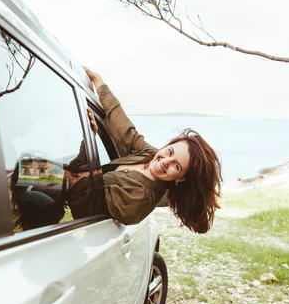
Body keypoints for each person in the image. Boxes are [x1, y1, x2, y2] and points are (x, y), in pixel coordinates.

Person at [65, 68, 222, 233]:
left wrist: (87, 142)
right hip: (61, 189)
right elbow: (125, 130)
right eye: (169, 152)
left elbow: (84, 198)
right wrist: (100, 84)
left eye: (176, 166)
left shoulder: (140, 200)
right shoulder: (149, 155)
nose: (164, 162)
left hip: (66, 214)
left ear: (181, 178)